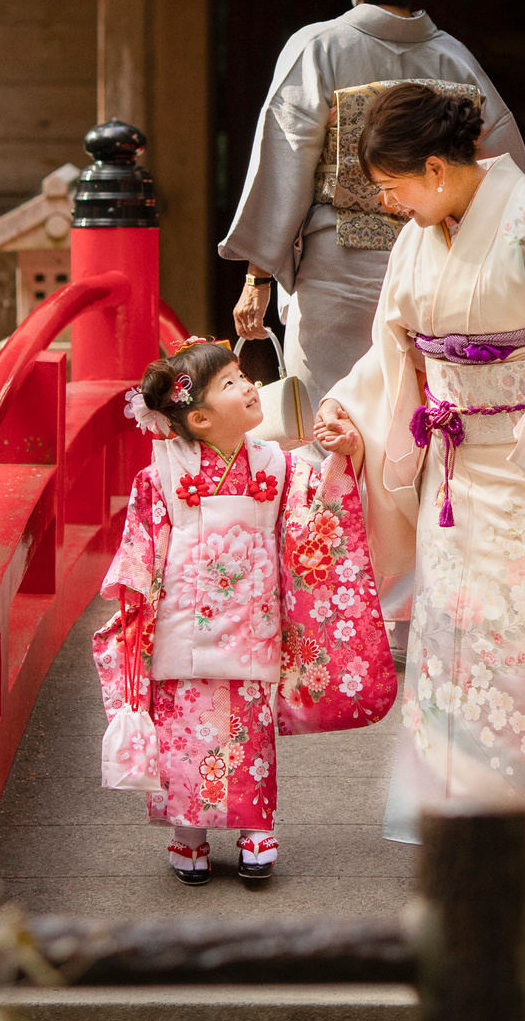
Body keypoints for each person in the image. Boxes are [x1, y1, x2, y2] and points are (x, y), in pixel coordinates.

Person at [316, 84, 525, 863]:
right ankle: (456, 828)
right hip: (449, 472)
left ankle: (522, 835)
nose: (391, 204)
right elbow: (395, 353)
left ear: (435, 168)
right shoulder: (418, 238)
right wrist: (350, 412)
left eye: (395, 187)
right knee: (447, 647)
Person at [222, 0, 525, 418]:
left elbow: (284, 163)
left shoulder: (316, 49)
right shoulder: (456, 62)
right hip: (438, 277)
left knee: (331, 438)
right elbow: (507, 182)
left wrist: (258, 278)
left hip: (336, 282)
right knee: (429, 435)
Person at [93, 338, 391, 885]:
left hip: (252, 626)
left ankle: (256, 825)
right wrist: (136, 614)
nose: (250, 385)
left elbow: (313, 516)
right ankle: (189, 834)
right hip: (181, 628)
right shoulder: (158, 476)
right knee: (184, 732)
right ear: (200, 418)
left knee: (249, 733)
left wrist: (342, 457)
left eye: (243, 375)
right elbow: (141, 550)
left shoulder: (275, 466)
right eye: (231, 383)